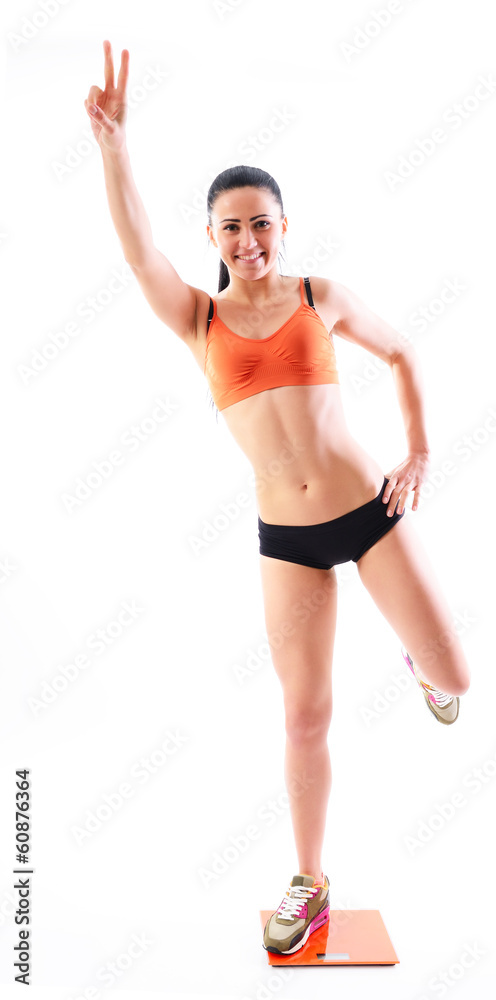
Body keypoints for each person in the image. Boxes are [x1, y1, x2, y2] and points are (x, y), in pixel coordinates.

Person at [84, 39, 471, 957]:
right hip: (287, 541)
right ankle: (310, 884)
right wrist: (114, 147)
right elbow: (138, 253)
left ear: (283, 225)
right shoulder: (198, 319)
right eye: (230, 228)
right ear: (211, 238)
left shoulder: (318, 296)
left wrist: (418, 452)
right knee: (304, 715)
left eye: (260, 223)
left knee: (457, 681)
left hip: (369, 515)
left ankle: (423, 669)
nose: (247, 241)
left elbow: (403, 351)